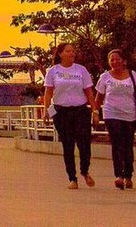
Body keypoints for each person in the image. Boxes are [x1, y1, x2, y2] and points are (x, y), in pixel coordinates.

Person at [42, 42, 99, 189]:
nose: (72, 53)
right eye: (68, 51)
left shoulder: (81, 70)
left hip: (80, 111)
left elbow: (89, 92)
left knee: (84, 144)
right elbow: (48, 93)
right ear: (60, 54)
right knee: (68, 145)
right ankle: (72, 178)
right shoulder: (53, 71)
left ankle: (85, 171)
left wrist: (95, 111)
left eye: (73, 51)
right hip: (61, 112)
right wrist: (46, 111)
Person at [95, 48, 136, 190]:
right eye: (112, 59)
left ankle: (128, 175)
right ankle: (119, 175)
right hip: (111, 113)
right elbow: (99, 96)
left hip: (130, 114)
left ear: (124, 61)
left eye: (118, 59)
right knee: (116, 144)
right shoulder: (105, 77)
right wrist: (95, 112)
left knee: (127, 145)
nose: (115, 61)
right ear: (109, 62)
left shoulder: (132, 75)